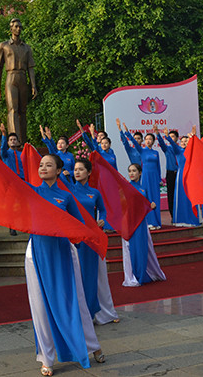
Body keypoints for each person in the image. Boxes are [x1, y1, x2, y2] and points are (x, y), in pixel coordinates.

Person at [26, 154, 104, 376]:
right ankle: (46, 357)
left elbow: (79, 224)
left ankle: (91, 346)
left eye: (48, 165)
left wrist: (84, 241)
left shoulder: (65, 197)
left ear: (59, 170)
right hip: (37, 253)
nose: (43, 168)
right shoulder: (32, 191)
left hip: (62, 253)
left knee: (74, 303)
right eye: (41, 165)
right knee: (40, 307)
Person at [69, 159, 119, 324]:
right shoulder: (69, 190)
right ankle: (77, 314)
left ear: (89, 172)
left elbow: (103, 210)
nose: (77, 172)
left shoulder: (94, 193)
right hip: (75, 238)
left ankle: (90, 312)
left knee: (90, 275)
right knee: (77, 274)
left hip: (91, 239)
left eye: (81, 169)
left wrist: (102, 220)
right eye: (75, 169)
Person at [122, 163, 166, 287]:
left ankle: (143, 274)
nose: (131, 173)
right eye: (129, 171)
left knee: (142, 249)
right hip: (131, 223)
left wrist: (151, 205)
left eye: (134, 171)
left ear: (140, 173)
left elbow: (145, 205)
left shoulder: (143, 189)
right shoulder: (126, 187)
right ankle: (134, 275)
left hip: (141, 224)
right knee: (133, 249)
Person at [0, 17, 37, 145]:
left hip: (23, 77)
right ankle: (14, 140)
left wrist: (33, 86)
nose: (19, 29)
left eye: (20, 27)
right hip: (10, 77)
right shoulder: (4, 45)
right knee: (13, 109)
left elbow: (31, 68)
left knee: (22, 111)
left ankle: (23, 140)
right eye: (16, 26)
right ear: (11, 28)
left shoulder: (27, 48)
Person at [120, 121, 163, 228]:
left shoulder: (156, 153)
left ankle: (157, 221)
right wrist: (126, 132)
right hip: (146, 176)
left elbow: (158, 166)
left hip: (154, 177)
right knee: (147, 198)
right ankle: (149, 221)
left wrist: (159, 179)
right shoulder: (142, 150)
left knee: (156, 198)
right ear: (145, 141)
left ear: (153, 141)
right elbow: (134, 142)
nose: (148, 141)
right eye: (147, 139)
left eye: (150, 139)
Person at [157, 128, 198, 226]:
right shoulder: (178, 150)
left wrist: (193, 137)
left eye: (186, 141)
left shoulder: (192, 151)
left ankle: (191, 216)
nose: (184, 143)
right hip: (179, 176)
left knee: (190, 197)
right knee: (178, 197)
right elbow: (172, 144)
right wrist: (166, 136)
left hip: (190, 175)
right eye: (182, 141)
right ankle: (179, 217)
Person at [0, 123, 23, 235]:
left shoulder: (21, 154)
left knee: (23, 204)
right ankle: (12, 227)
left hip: (22, 181)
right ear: (8, 142)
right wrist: (4, 134)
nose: (13, 141)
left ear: (18, 142)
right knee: (11, 205)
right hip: (10, 182)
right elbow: (2, 149)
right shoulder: (6, 154)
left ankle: (24, 225)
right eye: (11, 139)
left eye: (15, 139)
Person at [158, 129, 179, 220]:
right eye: (169, 137)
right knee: (171, 195)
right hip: (170, 174)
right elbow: (162, 143)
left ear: (177, 138)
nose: (170, 138)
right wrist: (158, 134)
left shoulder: (180, 149)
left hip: (179, 174)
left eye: (173, 136)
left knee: (180, 194)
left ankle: (181, 214)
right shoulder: (167, 149)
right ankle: (173, 215)